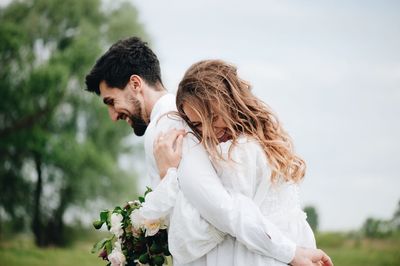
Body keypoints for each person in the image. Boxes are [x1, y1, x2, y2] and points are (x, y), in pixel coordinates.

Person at [84, 36, 332, 266]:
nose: (113, 115)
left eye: (111, 101)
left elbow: (220, 209)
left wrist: (291, 253)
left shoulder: (167, 126)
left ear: (136, 84)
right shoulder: (185, 113)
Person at [153, 59, 319, 265]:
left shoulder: (235, 154)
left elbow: (217, 219)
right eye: (197, 124)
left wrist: (167, 175)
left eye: (213, 118)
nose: (208, 132)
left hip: (264, 254)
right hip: (291, 244)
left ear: (231, 103)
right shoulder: (266, 140)